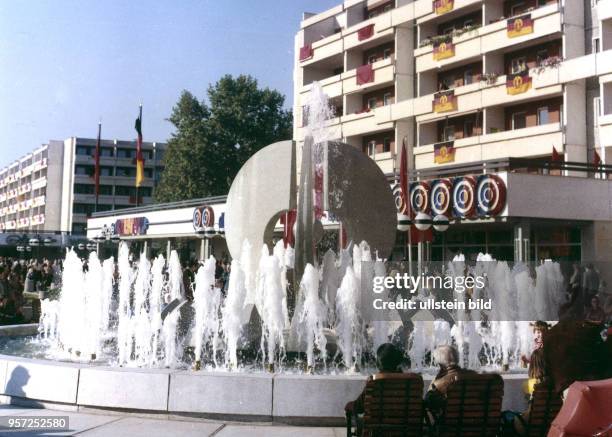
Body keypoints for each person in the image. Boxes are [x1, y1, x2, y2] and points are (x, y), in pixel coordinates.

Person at [344, 343, 408, 418]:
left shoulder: (374, 382)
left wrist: (348, 406)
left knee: (349, 406)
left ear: (378, 364)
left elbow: (359, 407)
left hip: (378, 428)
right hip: (405, 427)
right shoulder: (411, 382)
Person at [424, 345, 477, 420]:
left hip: (452, 426)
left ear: (440, 364)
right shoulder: (474, 375)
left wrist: (436, 379)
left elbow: (427, 403)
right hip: (479, 423)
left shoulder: (439, 384)